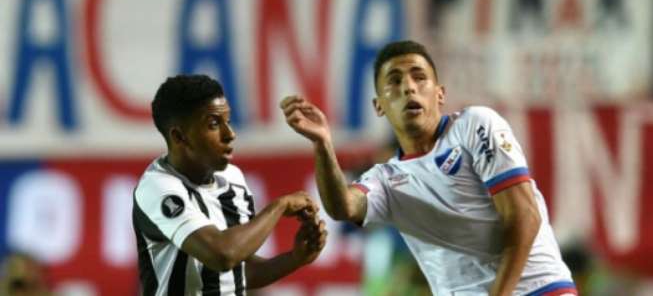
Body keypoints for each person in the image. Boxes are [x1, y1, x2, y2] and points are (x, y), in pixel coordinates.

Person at [281, 40, 576, 296]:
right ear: (379, 105)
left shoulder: (475, 126)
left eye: (419, 77)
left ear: (440, 93)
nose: (408, 87)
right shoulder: (386, 180)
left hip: (538, 290)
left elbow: (524, 215)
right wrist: (322, 144)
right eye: (394, 81)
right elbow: (342, 207)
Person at [133, 74, 326, 296]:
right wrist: (279, 206)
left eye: (228, 121)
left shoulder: (233, 179)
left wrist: (295, 258)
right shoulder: (158, 188)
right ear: (179, 136)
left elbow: (239, 272)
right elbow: (222, 255)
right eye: (214, 124)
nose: (230, 134)